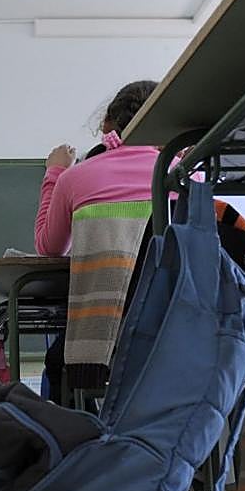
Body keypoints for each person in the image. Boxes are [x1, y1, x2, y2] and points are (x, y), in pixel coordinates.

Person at [34, 80, 160, 404]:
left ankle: (81, 447)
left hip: (102, 336)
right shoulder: (183, 172)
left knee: (56, 362)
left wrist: (55, 173)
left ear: (106, 124)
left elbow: (49, 248)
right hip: (173, 327)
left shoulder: (75, 178)